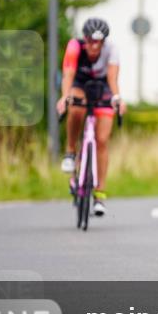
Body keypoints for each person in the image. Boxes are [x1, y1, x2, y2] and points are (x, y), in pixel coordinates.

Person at [55, 18, 127, 216]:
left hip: (102, 86)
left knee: (102, 140)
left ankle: (100, 195)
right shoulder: (74, 47)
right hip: (79, 83)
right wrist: (65, 96)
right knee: (76, 107)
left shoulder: (112, 50)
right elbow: (68, 74)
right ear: (84, 38)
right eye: (90, 41)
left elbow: (112, 78)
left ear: (104, 41)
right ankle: (70, 152)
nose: (94, 46)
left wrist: (117, 98)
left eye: (99, 42)